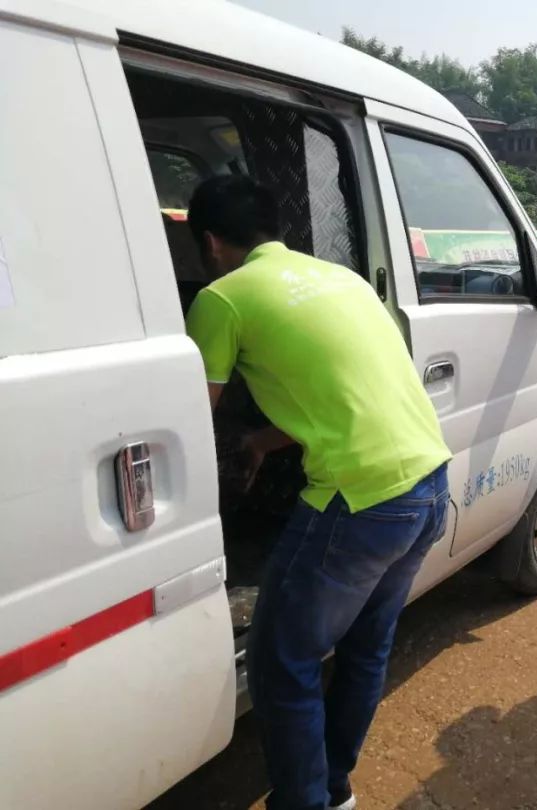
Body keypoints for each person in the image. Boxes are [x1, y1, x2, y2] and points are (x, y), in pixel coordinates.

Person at [184, 176, 452, 810]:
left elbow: (185, 418)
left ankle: (306, 802)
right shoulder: (344, 279)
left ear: (211, 241)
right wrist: (261, 442)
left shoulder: (221, 298)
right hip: (428, 484)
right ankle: (333, 792)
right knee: (365, 647)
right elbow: (341, 393)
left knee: (282, 662)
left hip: (356, 504)